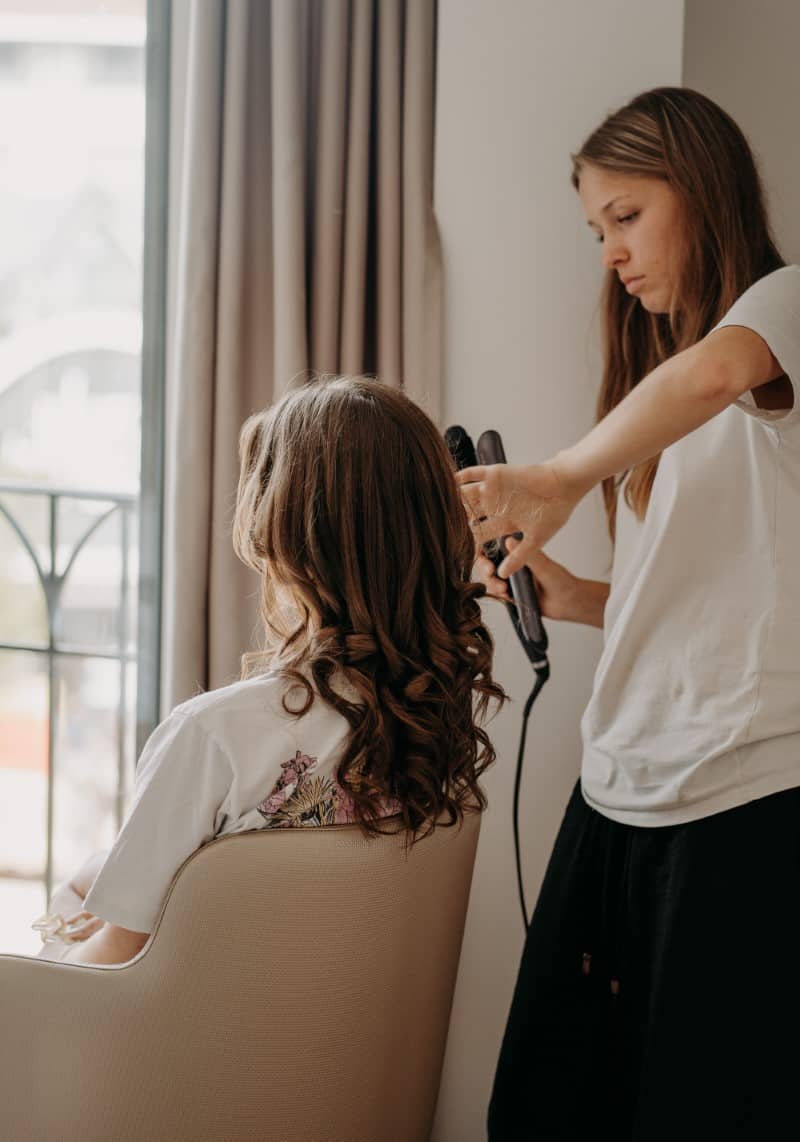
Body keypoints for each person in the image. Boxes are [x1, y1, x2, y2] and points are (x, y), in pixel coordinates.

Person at [457, 87, 800, 1140]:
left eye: (626, 215)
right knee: (546, 1102)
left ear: (700, 192)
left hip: (743, 797)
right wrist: (571, 597)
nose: (608, 250)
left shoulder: (781, 310)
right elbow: (706, 599)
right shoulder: (657, 385)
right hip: (617, 787)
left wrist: (558, 474)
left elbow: (719, 370)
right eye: (594, 228)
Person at [34, 376, 503, 966]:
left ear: (282, 538)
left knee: (69, 911)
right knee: (89, 878)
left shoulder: (212, 735)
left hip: (187, 1040)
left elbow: (110, 966)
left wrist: (46, 958)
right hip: (328, 1036)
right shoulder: (434, 713)